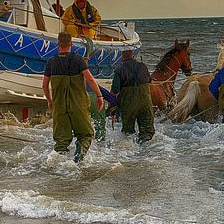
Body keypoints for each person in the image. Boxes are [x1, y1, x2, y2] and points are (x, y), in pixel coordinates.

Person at [42, 32, 104, 163]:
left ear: (58, 45)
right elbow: (90, 79)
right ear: (71, 44)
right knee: (85, 135)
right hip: (78, 106)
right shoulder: (78, 60)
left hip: (59, 107)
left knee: (61, 140)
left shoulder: (51, 62)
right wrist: (99, 96)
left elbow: (44, 84)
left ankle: (59, 167)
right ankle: (78, 160)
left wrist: (49, 100)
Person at [111, 49, 155, 143]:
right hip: (145, 103)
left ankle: (131, 152)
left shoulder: (119, 70)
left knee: (128, 133)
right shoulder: (143, 66)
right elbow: (149, 80)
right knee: (147, 132)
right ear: (133, 57)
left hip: (128, 105)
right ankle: (145, 150)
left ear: (122, 59)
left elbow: (115, 89)